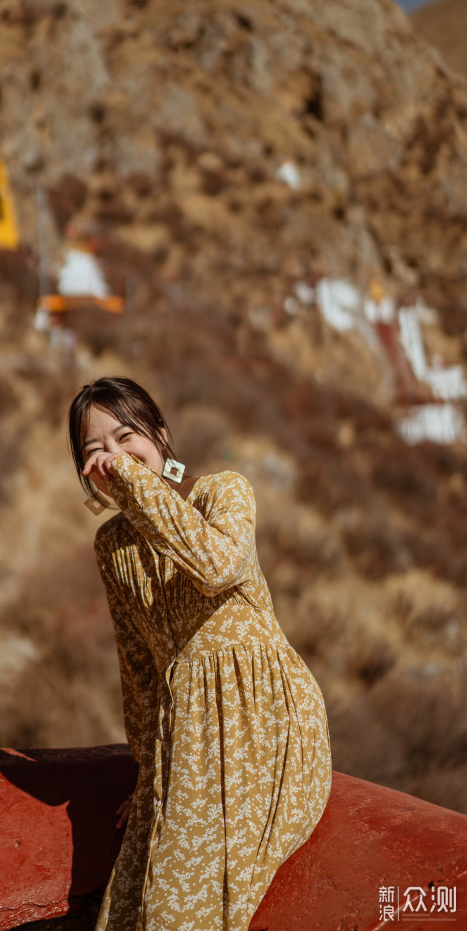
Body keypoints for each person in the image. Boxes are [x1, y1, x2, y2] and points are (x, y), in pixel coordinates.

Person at [68, 376, 332, 931]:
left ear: (161, 436)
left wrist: (141, 487)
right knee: (128, 906)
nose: (114, 459)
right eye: (96, 452)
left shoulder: (222, 492)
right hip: (187, 736)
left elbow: (216, 567)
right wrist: (145, 771)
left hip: (261, 720)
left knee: (175, 913)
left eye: (126, 438)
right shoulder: (111, 545)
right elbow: (137, 664)